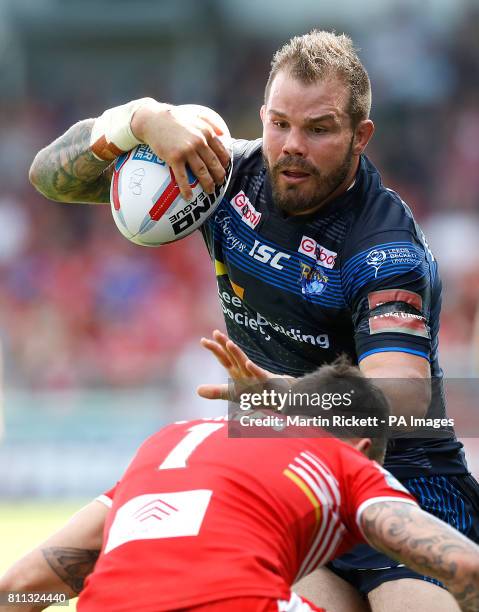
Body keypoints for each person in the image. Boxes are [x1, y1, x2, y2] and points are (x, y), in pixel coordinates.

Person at [28, 30, 479, 611]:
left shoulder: (382, 246)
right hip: (290, 480)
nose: (292, 145)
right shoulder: (223, 177)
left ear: (360, 136)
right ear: (262, 116)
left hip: (405, 485)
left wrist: (289, 397)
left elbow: (401, 397)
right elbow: (50, 176)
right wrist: (139, 119)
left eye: (318, 129)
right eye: (279, 123)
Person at [1, 363, 479, 611]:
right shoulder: (341, 459)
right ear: (360, 445)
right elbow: (462, 564)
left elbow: (18, 589)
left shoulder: (168, 444)